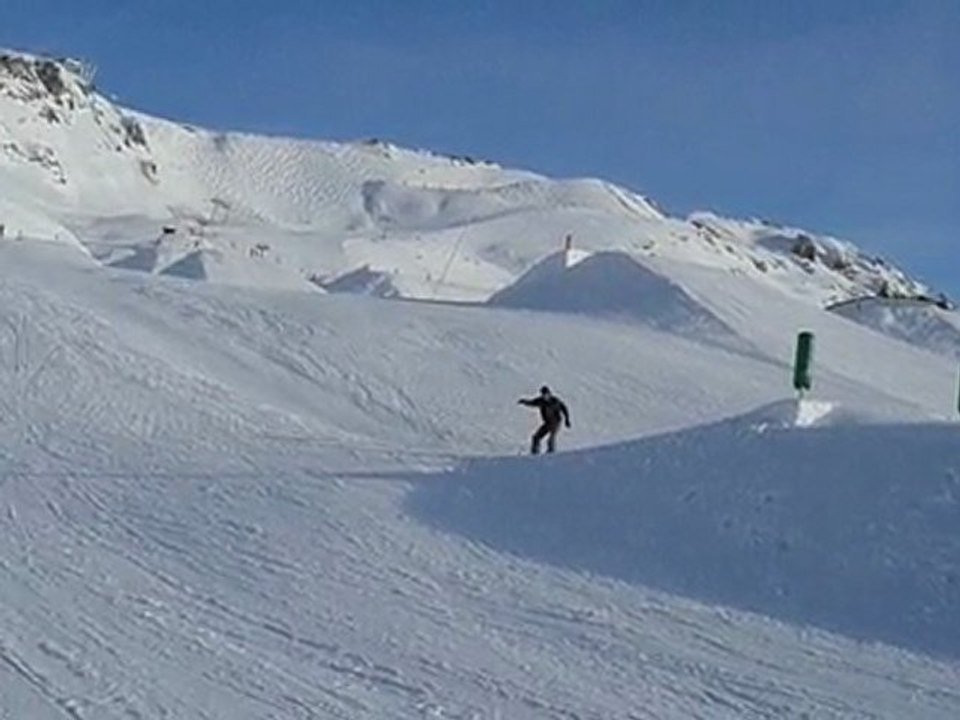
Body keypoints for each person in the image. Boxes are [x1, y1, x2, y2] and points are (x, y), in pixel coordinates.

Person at [518, 385, 571, 454]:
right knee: (536, 437)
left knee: (551, 439)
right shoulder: (541, 401)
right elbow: (532, 403)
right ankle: (535, 453)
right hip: (547, 423)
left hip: (556, 422)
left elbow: (564, 409)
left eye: (546, 395)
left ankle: (551, 453)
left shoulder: (555, 401)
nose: (544, 397)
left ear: (549, 394)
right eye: (543, 395)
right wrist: (524, 401)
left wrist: (567, 420)